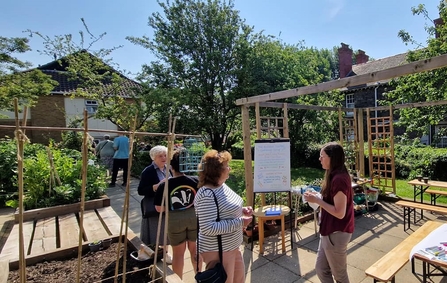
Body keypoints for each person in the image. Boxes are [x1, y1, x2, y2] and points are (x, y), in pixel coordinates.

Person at [194, 150, 253, 283]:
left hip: (231, 246)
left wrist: (242, 210)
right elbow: (208, 227)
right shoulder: (206, 194)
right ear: (217, 171)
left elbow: (224, 209)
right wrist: (240, 222)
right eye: (227, 165)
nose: (229, 168)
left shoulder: (221, 185)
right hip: (218, 251)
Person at [304, 142, 354, 283]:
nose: (319, 159)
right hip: (328, 231)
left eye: (322, 156)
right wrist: (317, 197)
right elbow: (331, 201)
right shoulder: (333, 175)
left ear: (332, 158)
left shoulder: (339, 179)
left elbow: (339, 212)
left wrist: (317, 200)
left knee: (340, 276)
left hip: (336, 233)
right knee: (321, 269)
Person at [154, 148, 201, 279]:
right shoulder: (195, 180)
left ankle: (178, 280)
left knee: (178, 254)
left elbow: (158, 208)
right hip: (194, 218)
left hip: (174, 221)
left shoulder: (165, 185)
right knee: (195, 251)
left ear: (171, 166)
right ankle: (200, 278)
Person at [137, 145, 172, 263]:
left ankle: (166, 253)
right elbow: (141, 190)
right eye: (160, 156)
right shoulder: (148, 171)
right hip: (155, 206)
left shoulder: (169, 168)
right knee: (157, 231)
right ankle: (156, 253)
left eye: (165, 155)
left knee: (166, 231)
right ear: (153, 158)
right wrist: (156, 187)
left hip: (168, 205)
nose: (163, 158)